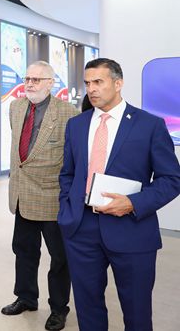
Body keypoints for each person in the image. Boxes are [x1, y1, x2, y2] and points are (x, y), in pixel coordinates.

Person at [59, 58, 180, 331]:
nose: (91, 89)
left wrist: (133, 203)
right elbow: (68, 173)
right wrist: (67, 209)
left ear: (118, 83)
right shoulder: (76, 125)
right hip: (81, 228)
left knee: (137, 312)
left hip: (131, 229)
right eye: (87, 83)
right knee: (87, 308)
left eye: (98, 82)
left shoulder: (149, 125)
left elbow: (172, 179)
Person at [2, 61, 78, 331]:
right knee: (23, 251)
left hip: (52, 198)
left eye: (36, 79)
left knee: (59, 258)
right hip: (22, 195)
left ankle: (58, 308)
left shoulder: (68, 113)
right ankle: (25, 297)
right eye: (27, 79)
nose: (30, 84)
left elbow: (74, 158)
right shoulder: (15, 107)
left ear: (50, 83)